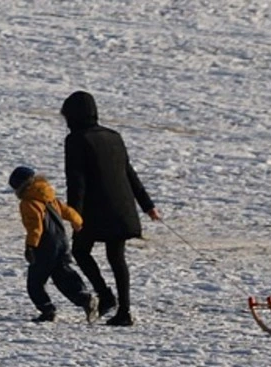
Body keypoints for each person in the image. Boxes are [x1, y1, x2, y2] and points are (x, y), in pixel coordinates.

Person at [61, 91, 162, 327]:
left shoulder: (76, 140)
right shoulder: (113, 136)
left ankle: (106, 296)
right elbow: (129, 173)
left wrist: (74, 214)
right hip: (122, 208)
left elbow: (76, 181)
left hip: (96, 210)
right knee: (117, 258)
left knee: (80, 251)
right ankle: (124, 311)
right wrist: (148, 206)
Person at [9, 166, 99, 323]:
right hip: (61, 242)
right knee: (63, 275)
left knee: (35, 282)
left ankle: (47, 310)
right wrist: (78, 223)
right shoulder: (49, 197)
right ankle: (86, 299)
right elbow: (68, 211)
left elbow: (35, 227)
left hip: (44, 245)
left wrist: (30, 246)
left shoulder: (28, 203)